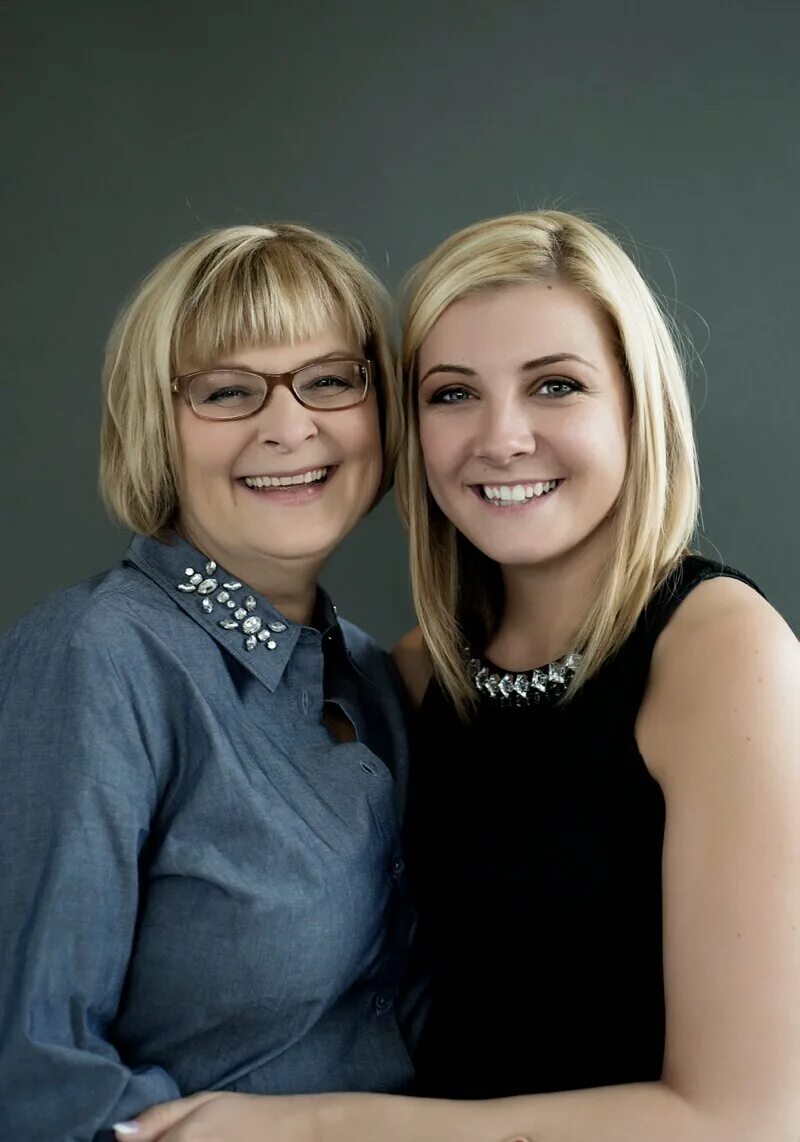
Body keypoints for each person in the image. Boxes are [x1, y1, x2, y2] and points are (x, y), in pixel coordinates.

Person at [124, 210, 800, 1141]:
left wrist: (314, 1130)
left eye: (556, 385)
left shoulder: (721, 653)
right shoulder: (404, 678)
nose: (501, 438)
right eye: (452, 395)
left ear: (640, 408)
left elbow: (748, 1120)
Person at [0, 222, 416, 1141]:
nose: (288, 424)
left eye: (331, 379)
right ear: (157, 424)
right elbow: (38, 1080)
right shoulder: (94, 658)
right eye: (228, 391)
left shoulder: (379, 680)